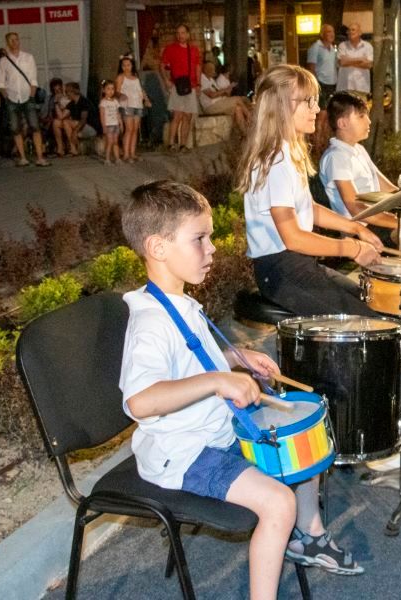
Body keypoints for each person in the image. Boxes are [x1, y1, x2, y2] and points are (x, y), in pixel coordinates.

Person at [119, 180, 364, 599]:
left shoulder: (178, 302)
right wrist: (218, 380)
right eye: (199, 238)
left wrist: (235, 358)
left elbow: (188, 360)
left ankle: (309, 537)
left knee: (302, 442)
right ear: (158, 247)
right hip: (185, 453)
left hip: (214, 431)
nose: (212, 248)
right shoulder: (150, 323)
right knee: (278, 502)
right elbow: (140, 400)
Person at [237, 65, 383, 318]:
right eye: (309, 101)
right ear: (281, 106)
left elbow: (308, 209)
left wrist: (356, 227)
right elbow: (293, 238)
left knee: (373, 301)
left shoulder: (288, 151)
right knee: (370, 322)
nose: (317, 109)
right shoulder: (275, 161)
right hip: (283, 271)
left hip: (296, 264)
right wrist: (353, 249)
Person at [319, 91, 401, 245]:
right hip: (360, 232)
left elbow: (390, 191)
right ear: (342, 123)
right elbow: (357, 209)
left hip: (376, 222)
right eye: (361, 116)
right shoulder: (336, 157)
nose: (369, 121)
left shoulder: (357, 149)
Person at [0, 32, 50, 167]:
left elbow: (33, 79)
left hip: (27, 96)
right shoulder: (4, 61)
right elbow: (1, 82)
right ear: (7, 43)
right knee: (16, 128)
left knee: (35, 126)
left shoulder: (28, 57)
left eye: (16, 39)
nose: (15, 42)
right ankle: (23, 157)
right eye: (11, 40)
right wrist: (6, 97)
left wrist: (32, 96)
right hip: (12, 97)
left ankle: (40, 157)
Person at [161, 24, 201, 152]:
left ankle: (183, 144)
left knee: (188, 116)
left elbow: (198, 67)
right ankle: (171, 144)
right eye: (178, 33)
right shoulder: (170, 49)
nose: (180, 36)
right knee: (177, 115)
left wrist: (199, 84)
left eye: (183, 33)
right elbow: (163, 65)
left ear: (188, 34)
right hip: (177, 84)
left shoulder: (194, 50)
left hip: (191, 85)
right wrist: (166, 80)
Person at [199, 61, 251, 136]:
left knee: (238, 108)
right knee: (237, 99)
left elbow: (219, 92)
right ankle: (250, 118)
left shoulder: (211, 79)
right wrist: (225, 90)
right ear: (206, 69)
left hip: (219, 103)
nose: (214, 71)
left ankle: (245, 133)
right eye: (212, 69)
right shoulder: (202, 79)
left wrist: (227, 90)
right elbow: (212, 95)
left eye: (213, 69)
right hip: (211, 106)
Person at [115, 55, 150, 162]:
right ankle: (126, 154)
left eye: (128, 65)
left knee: (135, 129)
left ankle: (132, 153)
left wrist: (146, 99)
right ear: (121, 66)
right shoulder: (121, 77)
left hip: (137, 104)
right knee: (129, 129)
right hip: (127, 105)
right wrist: (121, 95)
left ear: (132, 65)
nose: (126, 67)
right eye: (124, 65)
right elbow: (117, 91)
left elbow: (140, 90)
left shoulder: (135, 77)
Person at [306, 24, 338, 109]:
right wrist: (316, 85)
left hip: (333, 84)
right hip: (321, 84)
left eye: (333, 32)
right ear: (322, 34)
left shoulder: (333, 48)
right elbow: (311, 68)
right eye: (329, 32)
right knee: (322, 112)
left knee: (330, 111)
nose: (332, 34)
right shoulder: (315, 47)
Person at [336, 23, 373, 95]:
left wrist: (348, 61)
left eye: (353, 30)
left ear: (360, 33)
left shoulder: (367, 46)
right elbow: (342, 62)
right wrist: (360, 59)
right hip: (344, 87)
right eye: (349, 30)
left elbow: (369, 65)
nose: (350, 32)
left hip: (362, 88)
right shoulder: (342, 45)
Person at [63, 82, 96, 156]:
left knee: (66, 122)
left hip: (90, 127)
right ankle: (66, 148)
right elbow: (61, 116)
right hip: (80, 127)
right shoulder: (71, 104)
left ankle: (73, 148)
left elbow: (83, 120)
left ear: (73, 92)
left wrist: (75, 132)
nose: (66, 94)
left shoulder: (84, 102)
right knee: (57, 123)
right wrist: (57, 102)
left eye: (67, 91)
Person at [43, 77, 71, 157]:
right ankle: (59, 148)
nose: (57, 92)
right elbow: (46, 113)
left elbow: (64, 113)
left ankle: (64, 148)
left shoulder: (67, 97)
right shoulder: (50, 99)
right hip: (53, 119)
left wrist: (58, 102)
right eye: (55, 90)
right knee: (53, 123)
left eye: (59, 89)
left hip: (65, 118)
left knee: (57, 122)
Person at [99, 80, 122, 165]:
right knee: (110, 142)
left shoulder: (115, 101)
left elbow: (117, 113)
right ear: (104, 90)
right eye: (108, 89)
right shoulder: (103, 102)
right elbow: (102, 115)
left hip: (115, 124)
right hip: (108, 125)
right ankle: (107, 159)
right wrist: (104, 126)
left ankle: (117, 158)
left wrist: (120, 123)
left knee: (115, 142)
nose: (111, 91)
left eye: (112, 89)